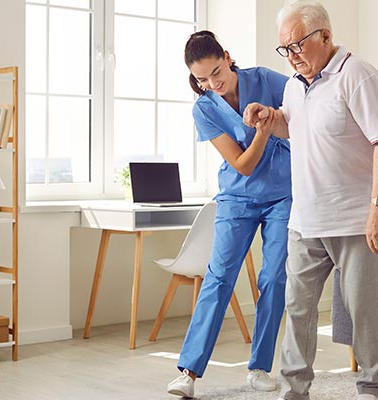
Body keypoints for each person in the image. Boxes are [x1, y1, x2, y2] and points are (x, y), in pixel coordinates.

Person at [243, 1, 378, 399]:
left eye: (297, 46)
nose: (292, 57)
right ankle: (294, 391)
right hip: (306, 220)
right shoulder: (295, 85)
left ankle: (370, 389)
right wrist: (270, 117)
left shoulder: (358, 76)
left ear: (324, 36)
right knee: (297, 310)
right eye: (285, 49)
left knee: (364, 314)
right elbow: (295, 126)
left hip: (355, 222)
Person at [166, 30, 292, 398]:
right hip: (237, 198)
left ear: (227, 56)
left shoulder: (266, 79)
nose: (212, 83)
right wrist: (265, 133)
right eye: (202, 79)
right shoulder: (204, 108)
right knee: (219, 278)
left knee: (273, 279)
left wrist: (275, 119)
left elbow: (306, 99)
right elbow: (242, 164)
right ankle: (188, 372)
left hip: (283, 195)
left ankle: (259, 368)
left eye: (216, 72)